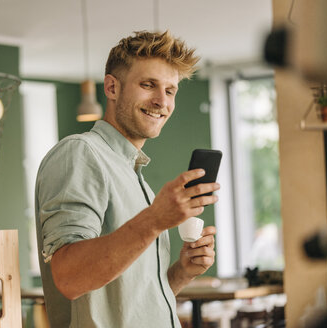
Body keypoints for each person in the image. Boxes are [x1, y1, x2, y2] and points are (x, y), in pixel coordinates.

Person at [35, 30, 220, 328]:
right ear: (111, 88)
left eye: (170, 91)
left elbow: (131, 306)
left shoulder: (136, 178)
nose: (162, 101)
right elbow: (69, 278)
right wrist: (156, 220)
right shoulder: (80, 153)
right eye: (149, 85)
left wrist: (182, 272)